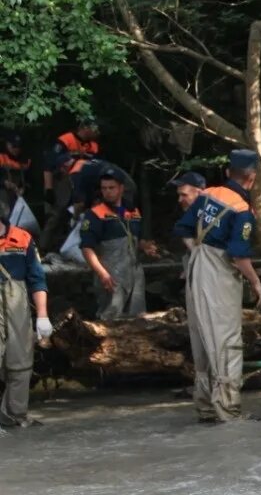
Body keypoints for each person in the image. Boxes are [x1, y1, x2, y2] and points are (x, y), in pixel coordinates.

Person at [173, 151, 261, 424]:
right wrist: (255, 282)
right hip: (218, 272)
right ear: (252, 178)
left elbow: (183, 228)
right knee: (225, 338)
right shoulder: (242, 210)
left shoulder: (207, 194)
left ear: (228, 173)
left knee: (201, 335)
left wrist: (198, 251)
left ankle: (205, 407)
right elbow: (239, 255)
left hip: (196, 265)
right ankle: (228, 410)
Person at [0, 194, 53, 428]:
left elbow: (37, 279)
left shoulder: (22, 239)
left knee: (20, 361)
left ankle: (15, 415)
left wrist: (42, 316)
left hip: (17, 303)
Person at [80, 168, 158, 320]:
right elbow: (86, 247)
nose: (107, 192)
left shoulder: (132, 211)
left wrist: (146, 247)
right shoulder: (95, 214)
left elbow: (136, 238)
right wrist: (102, 273)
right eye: (104, 188)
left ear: (121, 188)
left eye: (111, 188)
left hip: (134, 271)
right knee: (110, 315)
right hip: (111, 272)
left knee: (138, 316)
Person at [40, 117, 101, 252]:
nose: (98, 133)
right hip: (62, 181)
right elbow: (49, 165)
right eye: (95, 129)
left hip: (82, 183)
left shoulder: (94, 146)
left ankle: (67, 247)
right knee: (56, 215)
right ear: (85, 128)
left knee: (77, 215)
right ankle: (43, 248)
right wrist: (49, 188)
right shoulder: (65, 140)